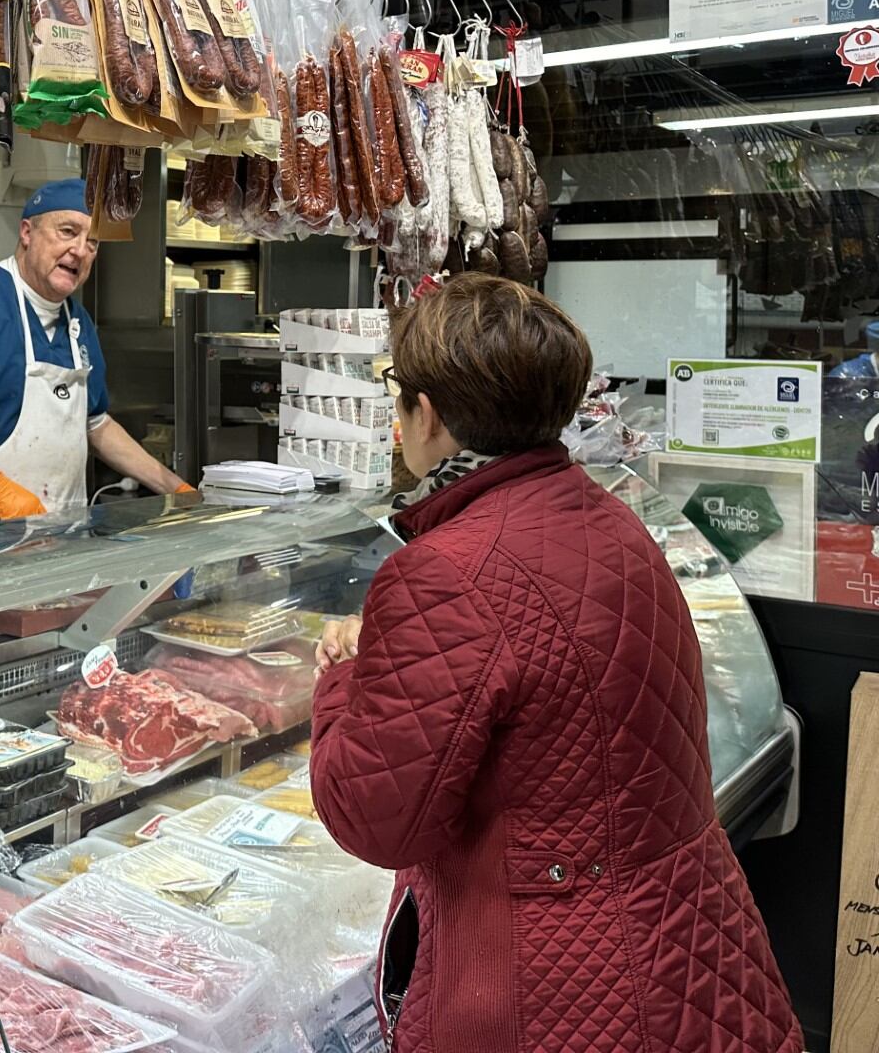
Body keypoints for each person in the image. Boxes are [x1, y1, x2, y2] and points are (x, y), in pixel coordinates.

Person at [308, 275, 800, 1053]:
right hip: (688, 948)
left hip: (560, 990)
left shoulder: (441, 571)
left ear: (426, 415)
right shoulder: (611, 517)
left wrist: (342, 677)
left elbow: (375, 821)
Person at [0, 178, 189, 517]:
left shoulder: (78, 321)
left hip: (60, 531)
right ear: (27, 233)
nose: (81, 250)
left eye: (94, 242)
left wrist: (176, 490)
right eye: (68, 232)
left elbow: (95, 423)